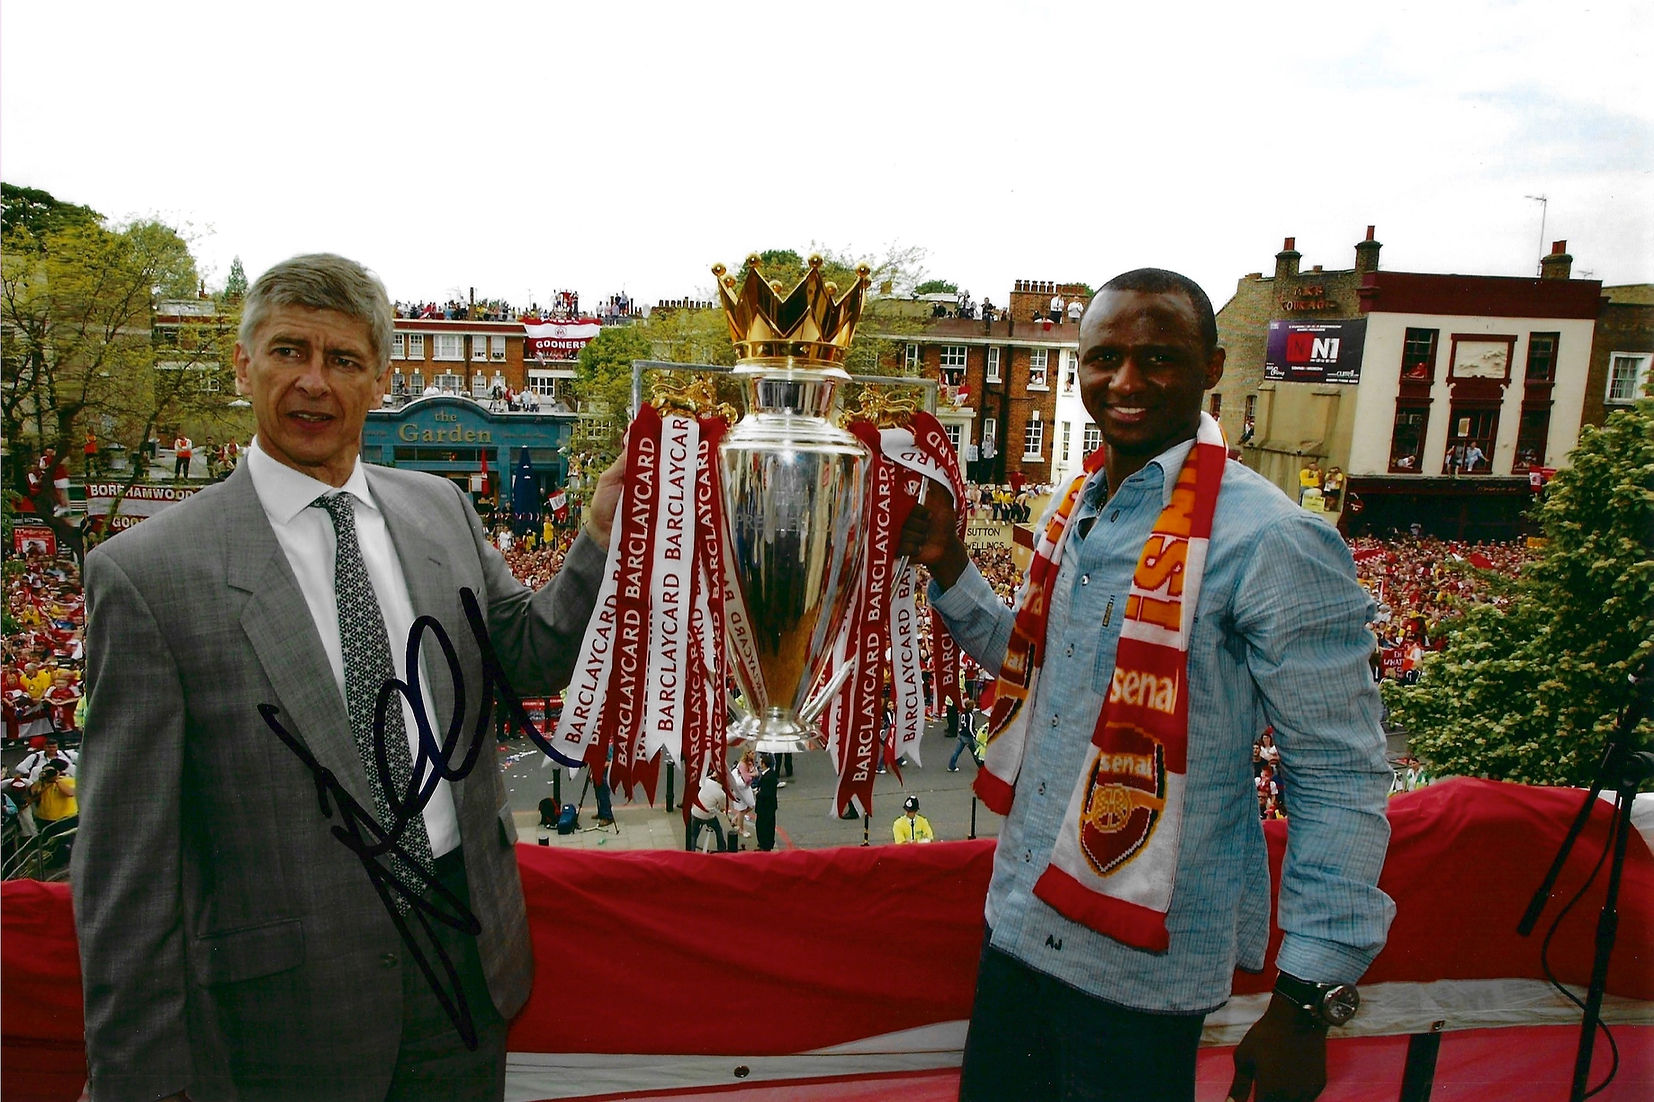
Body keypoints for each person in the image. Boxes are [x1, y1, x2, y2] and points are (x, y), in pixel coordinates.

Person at [74, 254, 626, 1102]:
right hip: (284, 1017)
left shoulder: (440, 509)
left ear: (380, 380)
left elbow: (531, 655)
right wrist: (139, 1080)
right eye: (288, 351)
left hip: (467, 968)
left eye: (343, 359)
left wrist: (598, 534)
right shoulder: (148, 573)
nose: (313, 382)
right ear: (243, 365)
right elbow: (126, 867)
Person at [900, 268, 1393, 1102]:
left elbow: (1340, 773)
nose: (1125, 382)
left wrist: (1307, 1002)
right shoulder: (1076, 508)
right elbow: (1038, 671)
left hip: (1139, 975)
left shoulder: (1273, 539)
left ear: (1211, 368)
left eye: (1158, 358)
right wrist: (950, 564)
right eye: (1105, 359)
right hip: (1019, 923)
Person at [753, 753, 780, 852]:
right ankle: (766, 843)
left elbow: (766, 793)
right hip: (769, 806)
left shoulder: (768, 777)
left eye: (760, 762)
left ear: (764, 764)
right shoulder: (770, 774)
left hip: (765, 807)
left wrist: (757, 793)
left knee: (763, 826)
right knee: (767, 825)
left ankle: (765, 845)